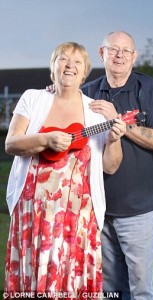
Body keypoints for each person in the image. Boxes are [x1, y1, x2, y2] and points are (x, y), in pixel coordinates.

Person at [46, 31, 153, 300]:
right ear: (102, 53)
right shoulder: (87, 93)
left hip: (140, 208)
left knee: (140, 288)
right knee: (111, 290)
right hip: (98, 209)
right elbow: (63, 130)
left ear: (134, 57)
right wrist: (53, 95)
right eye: (113, 49)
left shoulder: (150, 89)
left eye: (126, 51)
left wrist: (121, 122)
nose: (119, 56)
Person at [4, 41, 126, 299]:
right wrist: (45, 140)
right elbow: (11, 143)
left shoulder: (95, 112)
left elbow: (110, 166)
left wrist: (114, 140)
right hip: (33, 214)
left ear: (84, 73)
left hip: (77, 218)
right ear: (53, 68)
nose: (70, 65)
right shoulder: (33, 98)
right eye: (63, 59)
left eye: (77, 62)